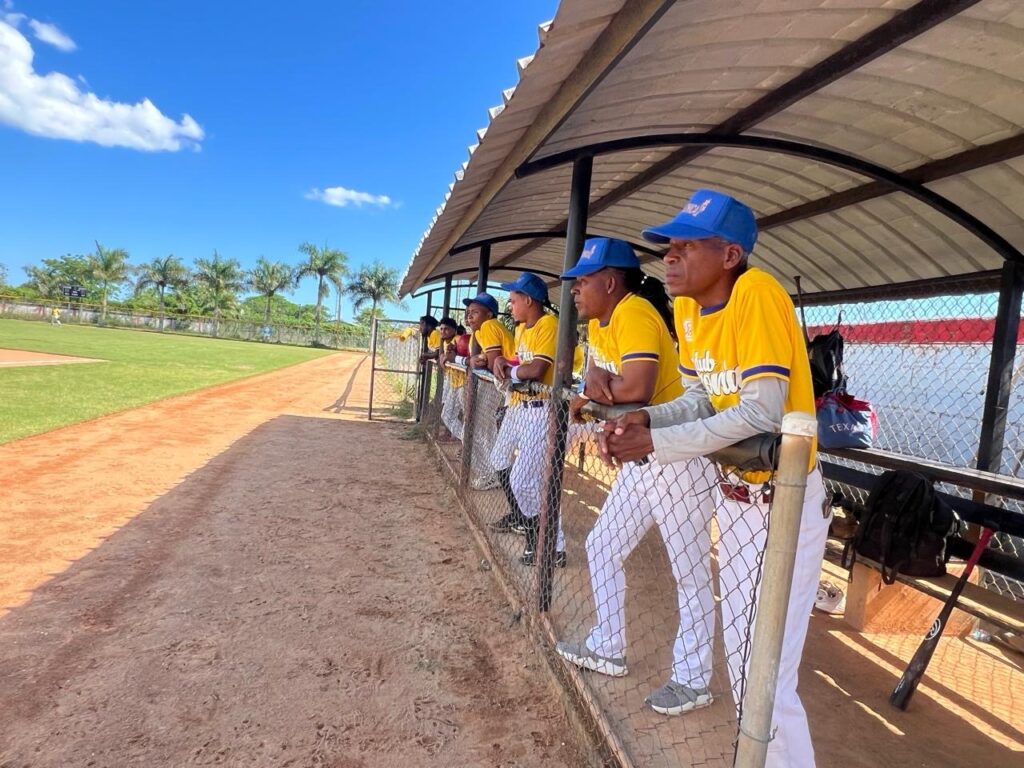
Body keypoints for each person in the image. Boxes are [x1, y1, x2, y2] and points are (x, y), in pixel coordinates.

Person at [600, 189, 830, 767]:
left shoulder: (757, 292)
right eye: (669, 247)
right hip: (737, 498)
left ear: (729, 255)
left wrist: (657, 442)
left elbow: (763, 411)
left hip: (783, 501)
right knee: (748, 663)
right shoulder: (686, 309)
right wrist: (648, 418)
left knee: (763, 675)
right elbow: (703, 397)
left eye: (686, 246)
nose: (669, 257)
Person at [554, 237, 718, 715]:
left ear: (610, 282)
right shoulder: (601, 323)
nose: (575, 290)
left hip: (678, 457)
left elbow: (636, 389)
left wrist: (600, 389)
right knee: (603, 545)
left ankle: (693, 680)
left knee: (689, 572)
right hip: (641, 458)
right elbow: (600, 383)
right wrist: (598, 388)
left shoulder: (635, 313)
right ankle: (608, 645)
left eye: (583, 281)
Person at [490, 272, 567, 567]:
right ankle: (537, 534)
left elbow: (535, 370)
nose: (510, 306)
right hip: (519, 406)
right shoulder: (522, 329)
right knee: (502, 461)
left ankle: (550, 544)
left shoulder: (549, 324)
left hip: (541, 409)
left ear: (529, 300)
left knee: (525, 480)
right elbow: (522, 363)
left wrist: (510, 372)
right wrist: (503, 362)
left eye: (513, 300)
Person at [463, 293, 514, 492]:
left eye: (475, 312)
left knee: (481, 428)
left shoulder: (489, 326)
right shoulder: (480, 332)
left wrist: (482, 362)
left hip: (505, 381)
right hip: (504, 381)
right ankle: (493, 472)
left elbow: (494, 364)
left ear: (489, 314)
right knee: (483, 427)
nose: (469, 316)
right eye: (468, 312)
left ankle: (493, 474)